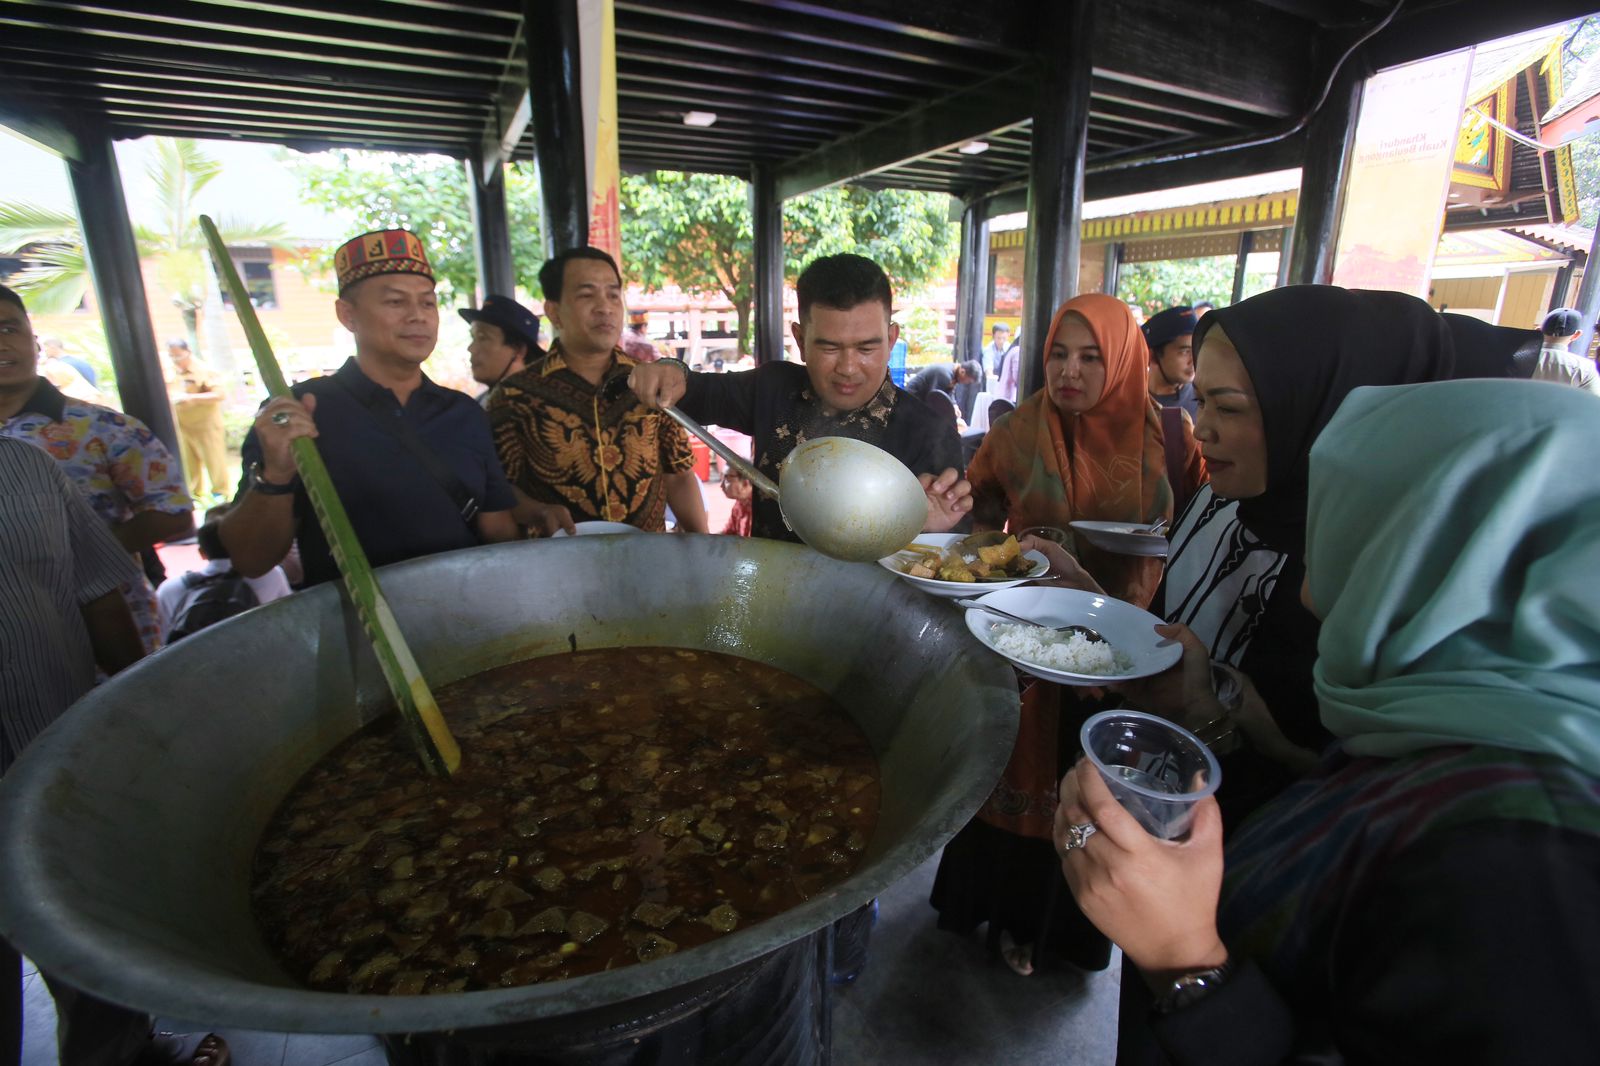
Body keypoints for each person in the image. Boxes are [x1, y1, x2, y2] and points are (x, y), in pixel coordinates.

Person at [1057, 378, 1600, 1065]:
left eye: (1349, 512)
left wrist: (1185, 965)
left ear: (1445, 545)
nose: (1312, 558)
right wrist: (1206, 718)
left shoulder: (1530, 866)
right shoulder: (1467, 720)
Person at [1118, 286, 1542, 824]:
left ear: (1323, 406)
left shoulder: (1392, 570)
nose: (1201, 428)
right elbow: (1171, 633)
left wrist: (1231, 724)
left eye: (1229, 407)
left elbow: (1380, 794)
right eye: (1201, 400)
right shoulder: (1220, 502)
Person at [930, 293, 1204, 977]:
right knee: (1010, 786)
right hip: (1028, 649)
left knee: (1096, 796)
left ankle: (1063, 934)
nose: (1070, 371)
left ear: (1122, 362)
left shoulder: (1171, 439)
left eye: (1090, 357)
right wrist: (954, 519)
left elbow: (1202, 530)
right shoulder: (1018, 434)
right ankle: (993, 915)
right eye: (1058, 353)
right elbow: (977, 529)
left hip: (1131, 654)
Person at [0, 437, 228, 1066]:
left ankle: (122, 1053)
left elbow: (98, 593)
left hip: (49, 747)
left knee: (80, 921)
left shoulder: (24, 466)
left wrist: (148, 715)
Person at [221, 229, 520, 586]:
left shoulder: (464, 413)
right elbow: (250, 559)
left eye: (427, 302)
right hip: (358, 632)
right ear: (347, 315)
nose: (418, 316)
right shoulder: (299, 413)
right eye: (396, 302)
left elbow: (497, 528)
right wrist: (277, 476)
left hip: (465, 622)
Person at [625, 253, 971, 542]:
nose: (849, 368)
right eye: (829, 347)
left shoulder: (930, 431)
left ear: (891, 339)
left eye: (867, 347)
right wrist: (669, 370)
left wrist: (934, 532)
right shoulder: (774, 388)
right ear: (801, 339)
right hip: (768, 598)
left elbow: (954, 564)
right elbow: (696, 391)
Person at [0, 284, 193, 653]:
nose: (1, 343)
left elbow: (173, 514)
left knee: (121, 709)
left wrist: (86, 554)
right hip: (13, 632)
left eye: (9, 328)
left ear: (35, 342)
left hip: (112, 622)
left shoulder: (105, 428)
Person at [488, 248, 708, 534]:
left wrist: (703, 545)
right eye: (587, 294)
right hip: (558, 567)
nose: (604, 307)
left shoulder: (651, 382)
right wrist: (538, 511)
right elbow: (501, 490)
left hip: (648, 562)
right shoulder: (513, 397)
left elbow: (678, 475)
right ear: (553, 311)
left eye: (613, 295)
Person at [156, 505, 291, 641]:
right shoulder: (269, 574)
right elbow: (289, 618)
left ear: (202, 553)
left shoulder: (169, 589)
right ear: (242, 543)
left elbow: (164, 639)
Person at [163, 337, 230, 502]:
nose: (176, 361)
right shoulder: (169, 371)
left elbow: (220, 394)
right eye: (172, 357)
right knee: (188, 464)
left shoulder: (204, 370)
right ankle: (194, 495)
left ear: (188, 353)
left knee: (214, 462)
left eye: (179, 356)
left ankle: (220, 494)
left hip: (206, 425)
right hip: (182, 425)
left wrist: (191, 398)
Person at [460, 294, 541, 407]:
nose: (471, 348)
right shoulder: (477, 405)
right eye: (473, 338)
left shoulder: (536, 407)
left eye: (483, 338)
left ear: (518, 350)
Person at [1142, 306, 1199, 418]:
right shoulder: (1127, 398)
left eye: (1197, 350)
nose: (1194, 359)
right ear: (1152, 355)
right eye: (1185, 351)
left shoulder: (1205, 404)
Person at [1531, 306, 1600, 394]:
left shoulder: (1518, 357)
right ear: (1577, 335)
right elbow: (1593, 402)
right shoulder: (1585, 368)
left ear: (1538, 330)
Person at [904, 359, 978, 404]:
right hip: (912, 398)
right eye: (968, 381)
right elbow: (935, 398)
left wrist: (954, 405)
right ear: (963, 372)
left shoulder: (954, 372)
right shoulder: (944, 374)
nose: (966, 383)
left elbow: (949, 391)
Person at [719, 469, 753, 537]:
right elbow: (728, 532)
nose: (721, 485)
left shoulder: (758, 508)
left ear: (745, 484)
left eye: (727, 480)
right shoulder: (739, 505)